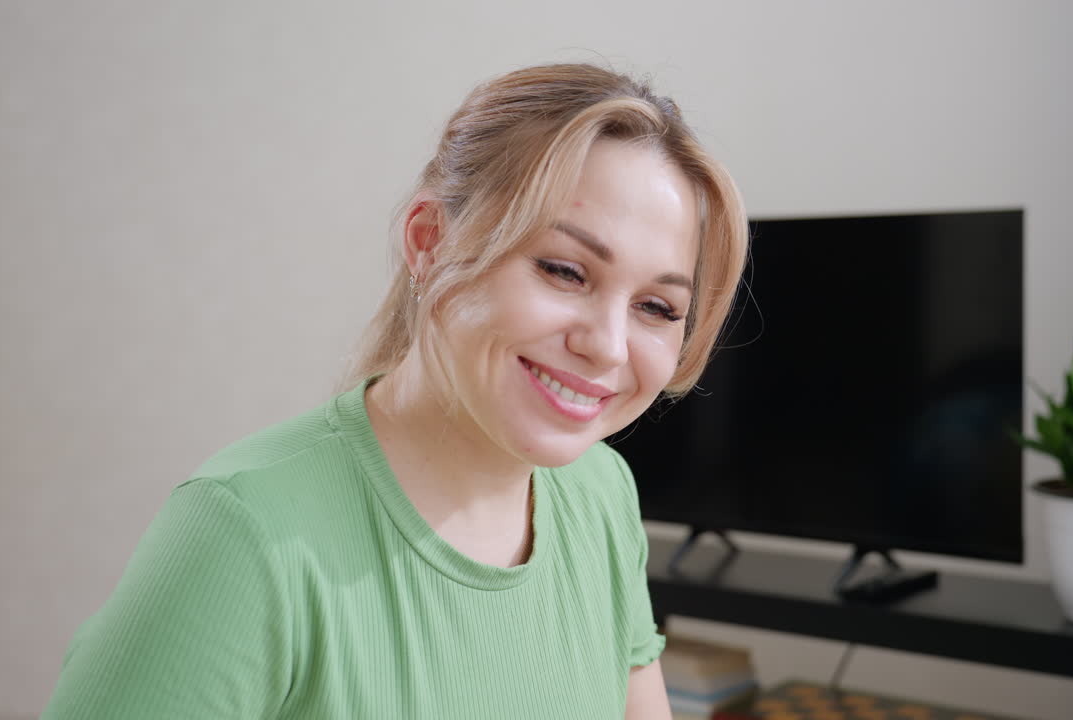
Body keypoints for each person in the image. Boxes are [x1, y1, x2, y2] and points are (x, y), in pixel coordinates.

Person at [41, 63, 749, 719]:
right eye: (565, 270)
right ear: (429, 242)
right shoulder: (242, 532)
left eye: (657, 308)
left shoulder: (601, 495)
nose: (608, 345)